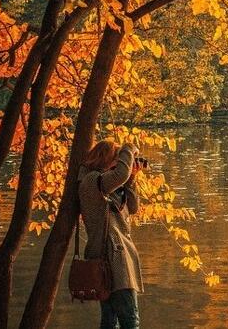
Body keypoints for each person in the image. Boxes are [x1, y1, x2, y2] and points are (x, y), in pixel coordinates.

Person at [78, 140, 143, 329]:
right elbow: (120, 174)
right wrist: (129, 149)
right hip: (112, 259)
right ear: (106, 158)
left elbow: (133, 207)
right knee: (130, 319)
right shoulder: (92, 181)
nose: (120, 161)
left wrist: (131, 179)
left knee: (110, 320)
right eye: (117, 157)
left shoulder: (104, 185)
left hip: (115, 258)